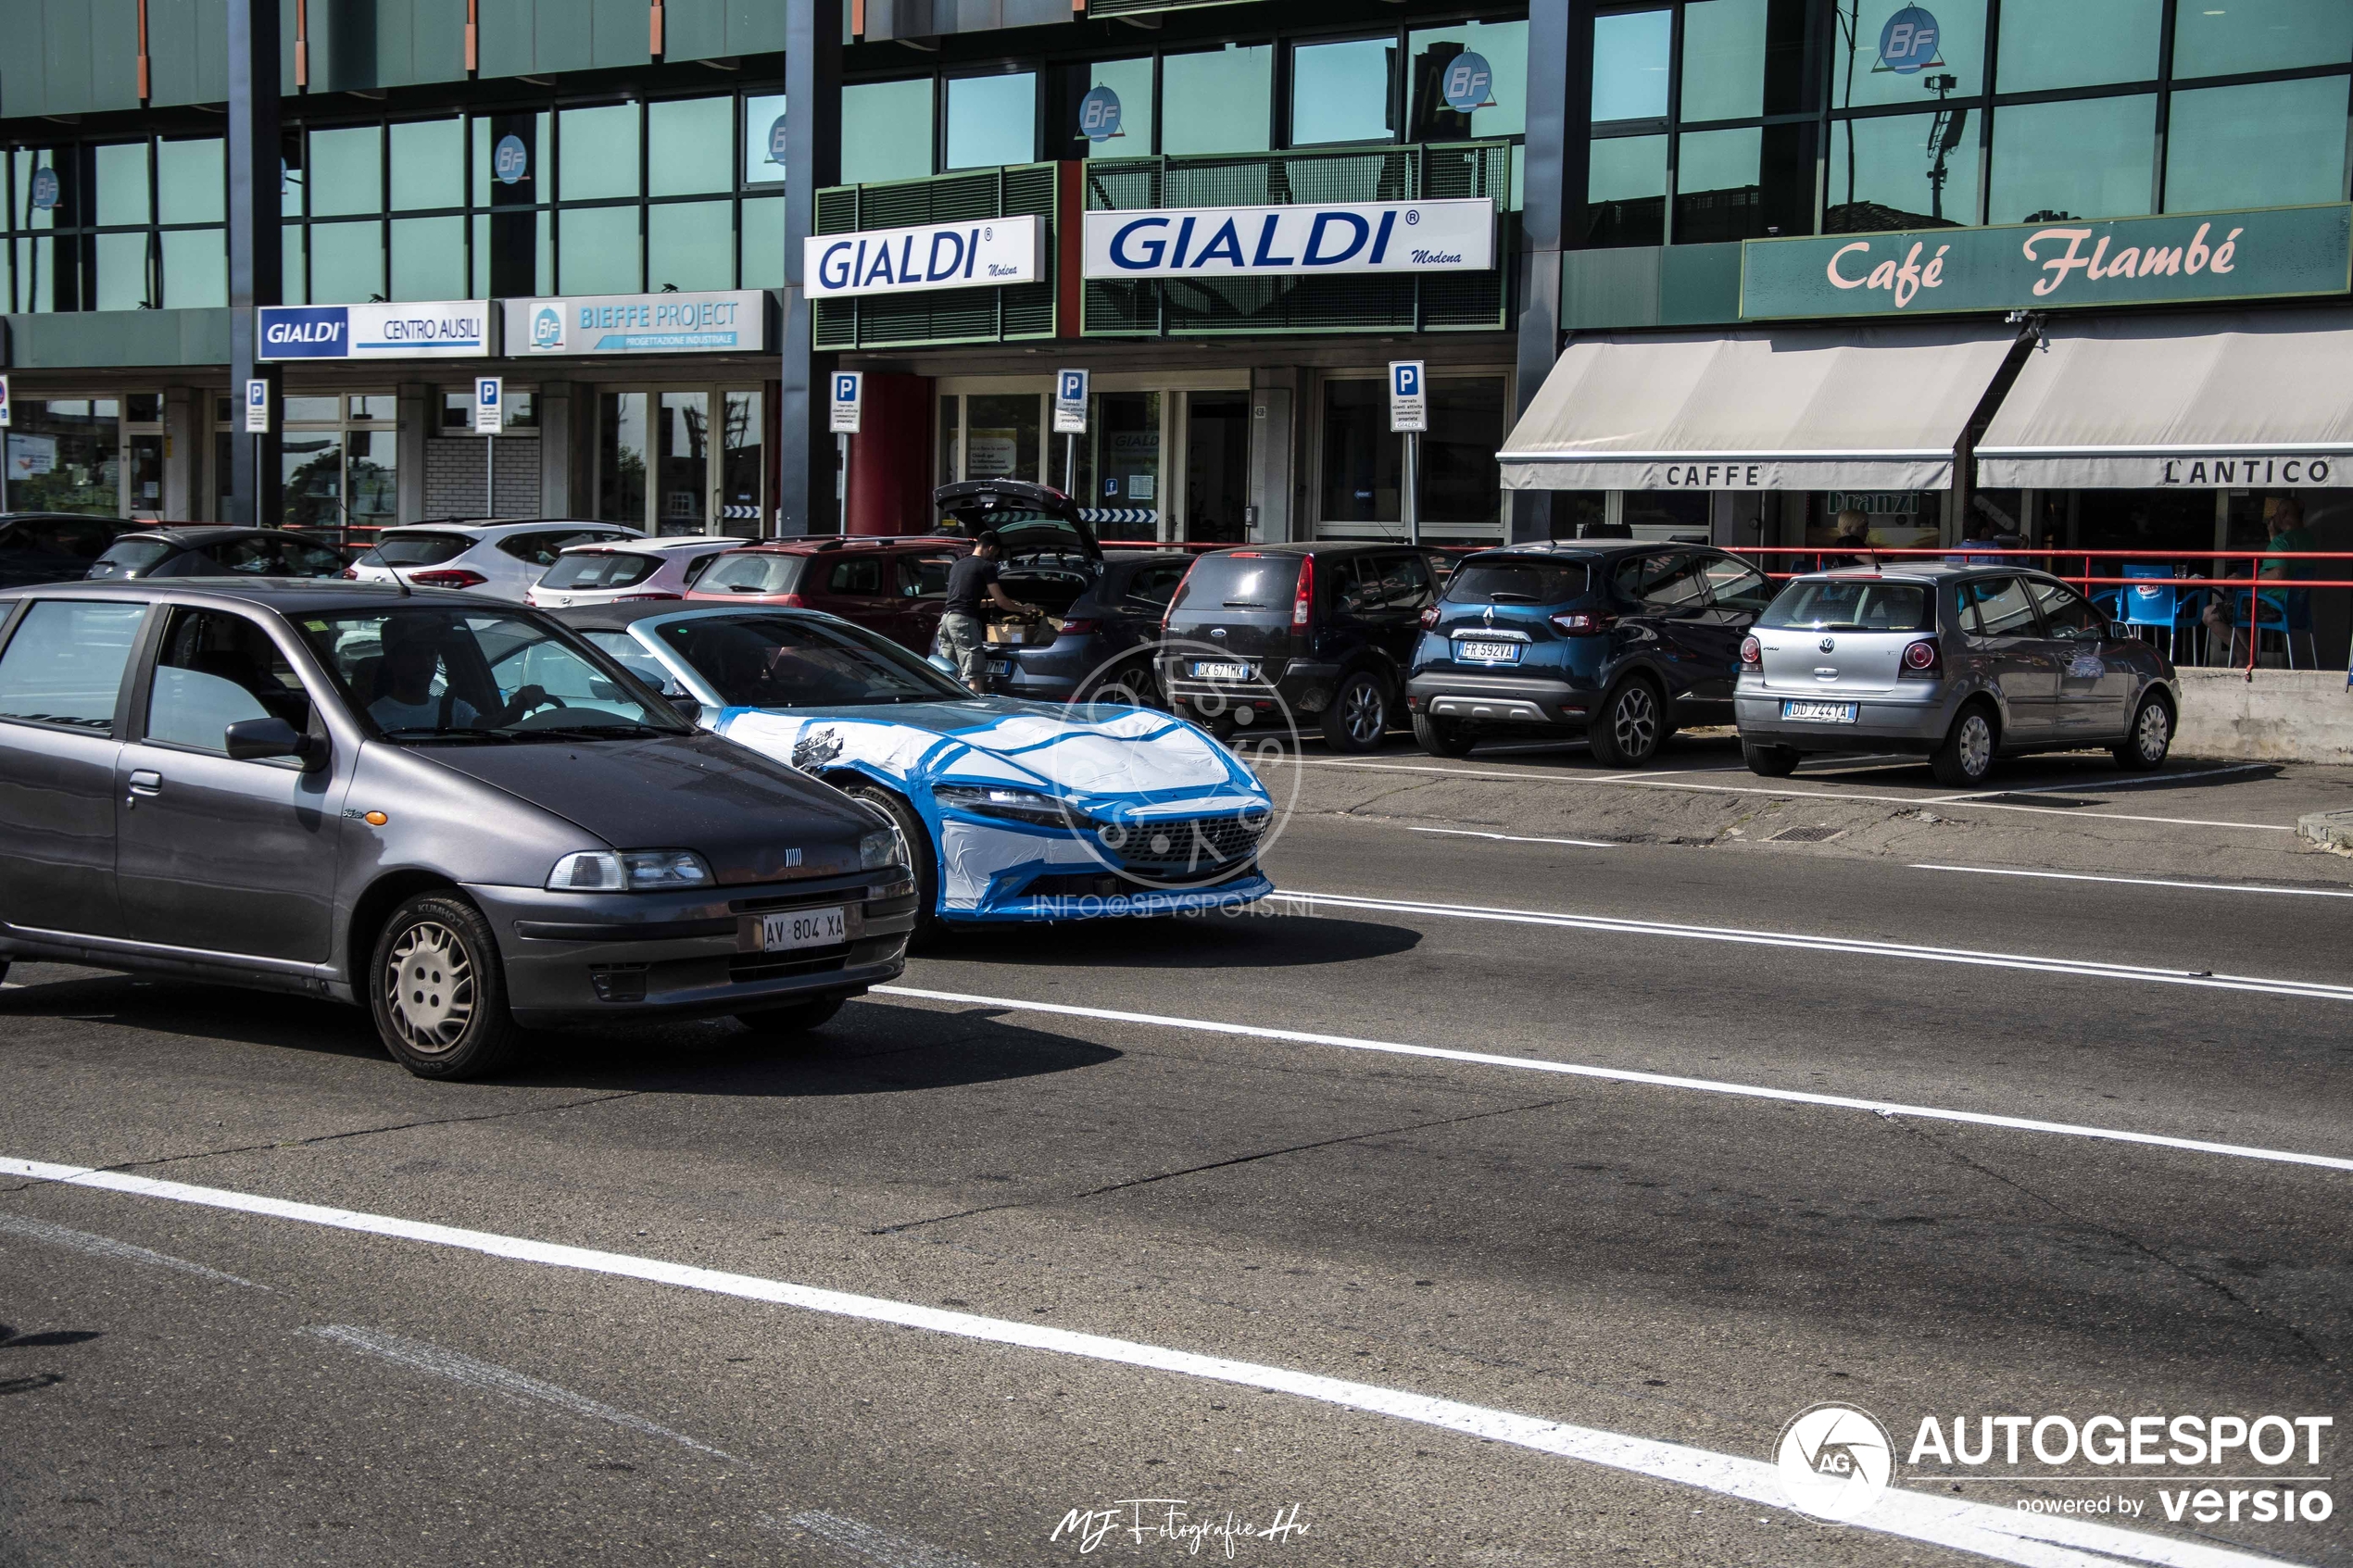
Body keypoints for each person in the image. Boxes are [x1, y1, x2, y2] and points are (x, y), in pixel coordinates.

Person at [367, 618, 547, 732]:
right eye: (414, 654)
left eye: (430, 653)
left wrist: (519, 701)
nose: (425, 662)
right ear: (393, 660)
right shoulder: (375, 718)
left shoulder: (452, 707)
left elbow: (491, 728)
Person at [2203, 495, 2316, 660]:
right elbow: (2287, 563)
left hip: (2272, 607)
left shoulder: (2282, 542)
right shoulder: (2308, 539)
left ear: (2283, 514)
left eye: (2276, 513)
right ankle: (2249, 658)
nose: (2273, 517)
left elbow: (2279, 574)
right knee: (2233, 608)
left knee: (2209, 614)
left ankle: (2244, 658)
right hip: (2295, 608)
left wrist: (2242, 580)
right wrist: (2273, 535)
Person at [936, 531, 1043, 695]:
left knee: (947, 674)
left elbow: (963, 598)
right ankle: (977, 713)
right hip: (963, 623)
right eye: (995, 553)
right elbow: (1002, 602)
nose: (995, 557)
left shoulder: (958, 565)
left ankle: (945, 710)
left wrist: (989, 603)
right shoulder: (986, 566)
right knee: (976, 676)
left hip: (945, 621)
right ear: (991, 548)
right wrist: (1023, 609)